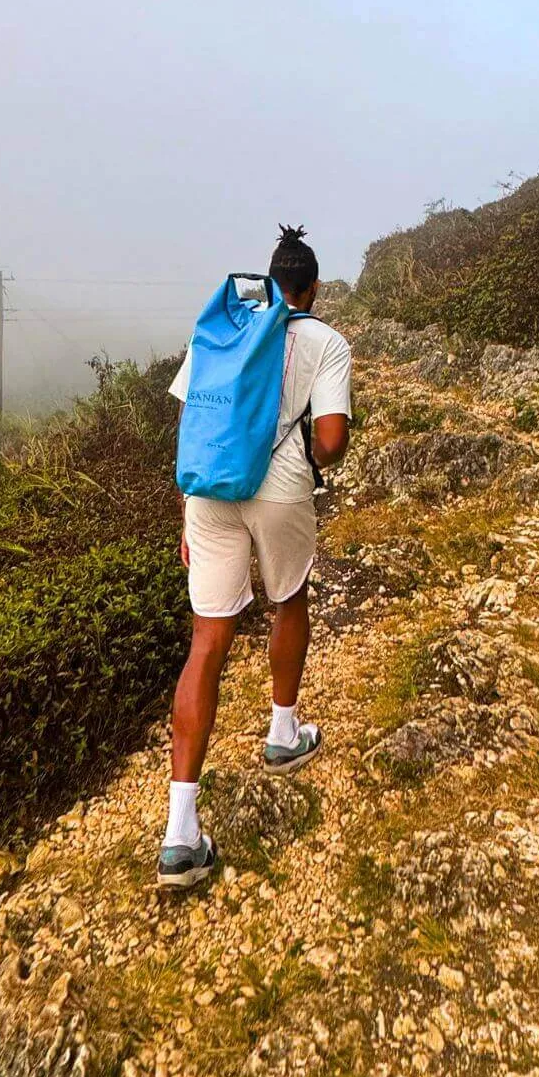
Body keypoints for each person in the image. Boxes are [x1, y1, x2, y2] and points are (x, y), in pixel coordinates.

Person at [158, 225, 352, 887]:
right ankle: (282, 733)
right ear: (314, 289)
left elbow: (192, 421)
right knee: (286, 599)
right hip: (279, 489)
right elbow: (330, 441)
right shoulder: (326, 343)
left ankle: (180, 832)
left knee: (206, 641)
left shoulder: (220, 332)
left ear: (270, 283)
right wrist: (310, 454)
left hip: (206, 492)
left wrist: (189, 511)